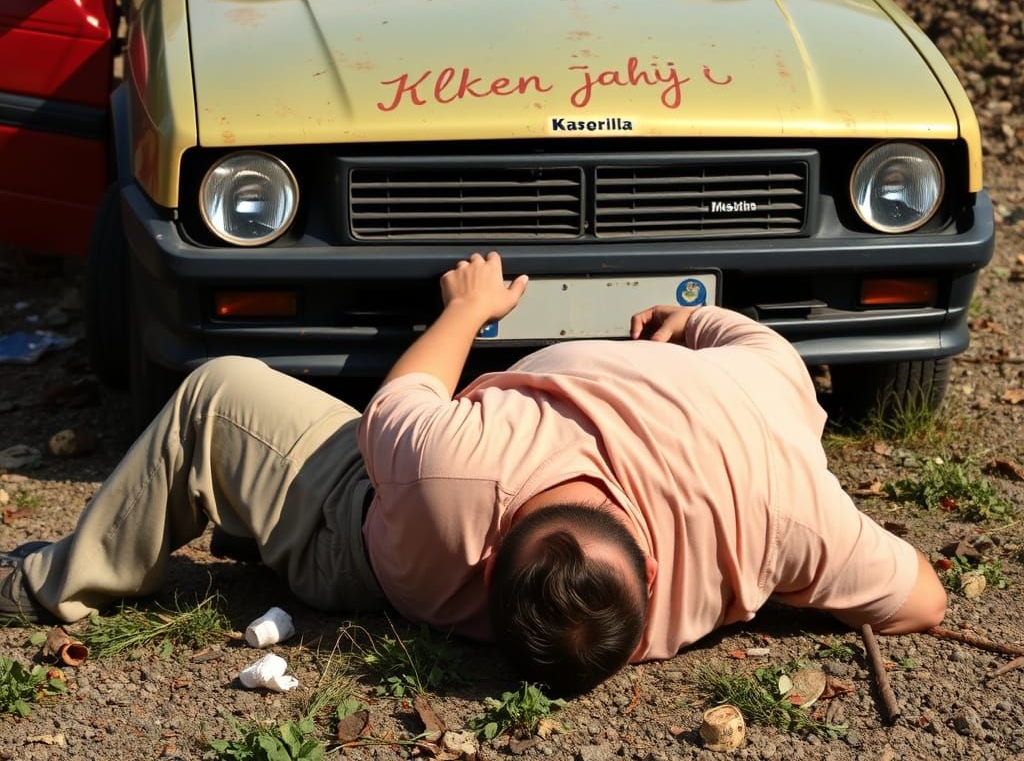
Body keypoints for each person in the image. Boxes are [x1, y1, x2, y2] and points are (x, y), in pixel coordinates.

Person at [0, 252, 945, 698]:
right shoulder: (784, 506)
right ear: (650, 582)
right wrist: (768, 584)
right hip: (418, 522)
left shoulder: (455, 473)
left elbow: (407, 389)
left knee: (215, 394)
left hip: (364, 539)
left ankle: (53, 583)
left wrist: (468, 306)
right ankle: (248, 536)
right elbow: (925, 601)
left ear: (489, 553)